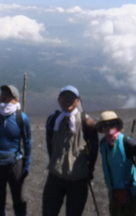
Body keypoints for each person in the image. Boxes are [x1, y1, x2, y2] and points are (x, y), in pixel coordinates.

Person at [42, 85, 99, 216]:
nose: (67, 99)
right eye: (64, 97)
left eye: (71, 97)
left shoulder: (87, 123)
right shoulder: (52, 120)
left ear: (78, 101)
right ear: (59, 100)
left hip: (78, 180)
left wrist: (89, 169)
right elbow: (50, 144)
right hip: (55, 177)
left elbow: (95, 148)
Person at [0, 85, 32, 216]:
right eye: (2, 93)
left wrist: (27, 164)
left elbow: (27, 142)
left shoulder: (22, 118)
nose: (3, 96)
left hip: (15, 163)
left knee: (18, 199)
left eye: (8, 94)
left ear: (15, 99)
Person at [96, 110, 136, 216]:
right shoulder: (103, 143)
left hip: (130, 191)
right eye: (105, 124)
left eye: (111, 123)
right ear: (101, 128)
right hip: (113, 190)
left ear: (117, 125)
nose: (108, 127)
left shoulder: (127, 142)